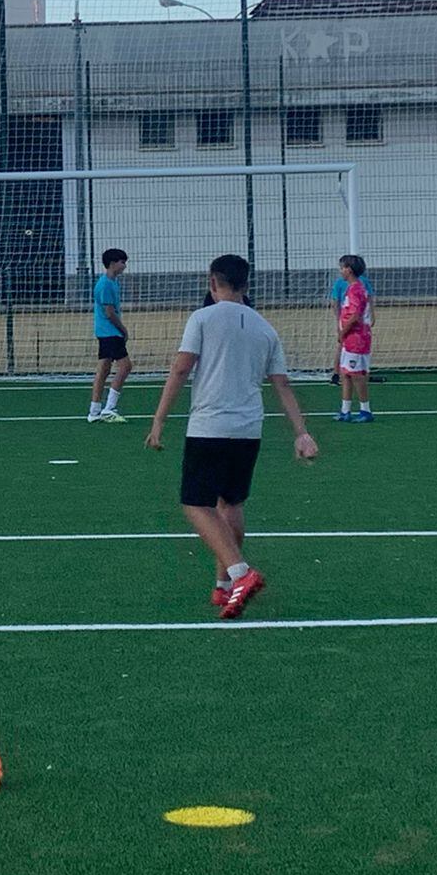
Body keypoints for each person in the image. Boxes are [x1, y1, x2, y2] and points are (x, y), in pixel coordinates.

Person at [145, 254, 318, 619]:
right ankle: (224, 586)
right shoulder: (265, 328)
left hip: (210, 427)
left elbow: (180, 369)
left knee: (195, 503)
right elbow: (282, 385)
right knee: (231, 504)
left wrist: (159, 419)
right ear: (246, 284)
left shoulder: (203, 319)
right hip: (248, 430)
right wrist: (301, 433)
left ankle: (241, 572)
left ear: (212, 282)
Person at [87, 248, 131, 423]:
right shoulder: (105, 284)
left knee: (104, 369)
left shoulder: (112, 282)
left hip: (105, 332)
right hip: (109, 332)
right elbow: (109, 313)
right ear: (113, 264)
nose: (124, 266)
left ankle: (94, 410)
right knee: (126, 367)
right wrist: (123, 330)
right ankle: (109, 408)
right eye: (122, 262)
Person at [334, 253, 374, 422]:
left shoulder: (356, 289)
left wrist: (343, 332)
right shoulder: (352, 288)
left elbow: (356, 315)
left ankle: (365, 410)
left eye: (342, 268)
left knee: (357, 375)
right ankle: (345, 410)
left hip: (356, 338)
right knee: (346, 374)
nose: (340, 271)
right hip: (350, 339)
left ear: (348, 270)